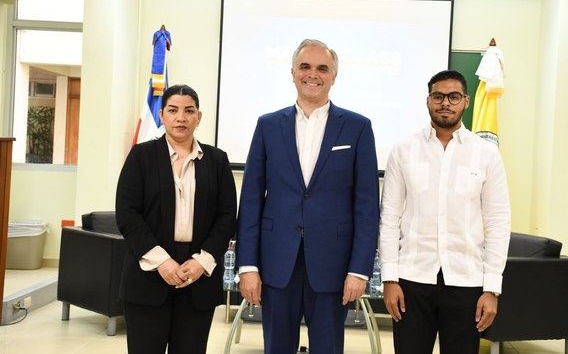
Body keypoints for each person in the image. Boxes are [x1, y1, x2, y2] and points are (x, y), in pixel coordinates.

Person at [236, 39, 380, 354]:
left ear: (333, 76)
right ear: (292, 73)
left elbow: (367, 206)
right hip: (277, 263)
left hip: (334, 265)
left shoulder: (357, 128)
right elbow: (250, 201)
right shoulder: (268, 126)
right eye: (305, 66)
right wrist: (248, 265)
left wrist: (359, 269)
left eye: (322, 68)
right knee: (276, 348)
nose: (312, 74)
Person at [379, 70, 511, 354]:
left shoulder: (486, 154)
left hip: (466, 281)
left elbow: (498, 223)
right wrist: (389, 279)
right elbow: (389, 217)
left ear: (465, 101)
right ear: (428, 101)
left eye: (453, 97)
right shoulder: (403, 150)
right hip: (412, 281)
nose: (445, 103)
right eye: (438, 96)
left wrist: (491, 288)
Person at [116, 84, 237, 354]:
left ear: (199, 117)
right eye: (173, 110)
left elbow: (227, 215)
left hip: (198, 278)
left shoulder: (217, 160)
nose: (181, 117)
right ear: (161, 115)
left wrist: (202, 261)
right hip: (148, 274)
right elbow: (127, 214)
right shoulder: (141, 156)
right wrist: (162, 262)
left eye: (188, 111)